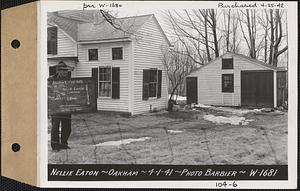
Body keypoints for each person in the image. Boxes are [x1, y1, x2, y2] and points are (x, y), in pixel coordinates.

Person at [49, 61, 72, 151]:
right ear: (58, 70)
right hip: (55, 107)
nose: (65, 72)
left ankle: (63, 144)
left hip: (66, 107)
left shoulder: (69, 79)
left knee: (67, 127)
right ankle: (55, 146)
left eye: (66, 71)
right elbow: (48, 92)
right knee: (55, 127)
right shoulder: (51, 79)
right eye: (63, 70)